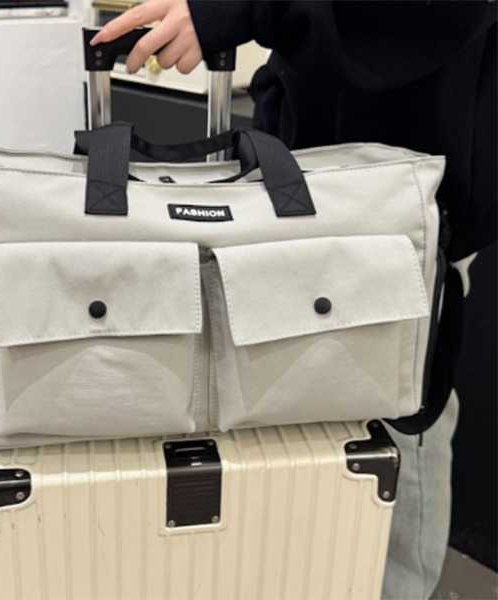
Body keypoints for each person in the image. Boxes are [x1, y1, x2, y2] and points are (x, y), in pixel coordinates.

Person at [92, 2, 497, 598]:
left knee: (392, 415)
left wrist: (245, 8)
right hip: (314, 163)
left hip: (409, 174)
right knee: (304, 403)